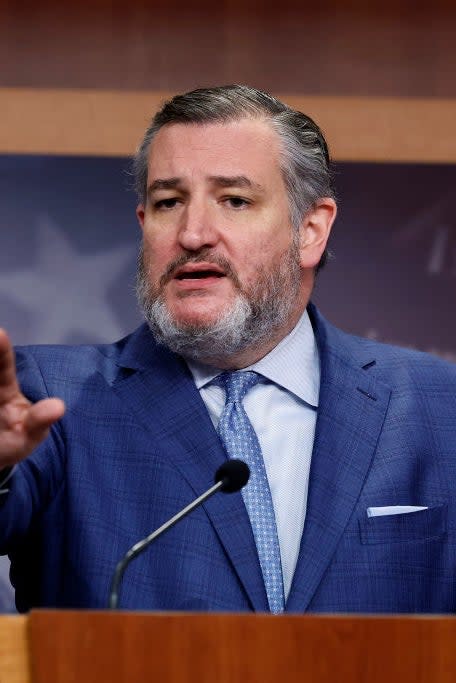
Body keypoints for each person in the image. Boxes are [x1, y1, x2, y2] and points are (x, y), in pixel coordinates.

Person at [0, 85, 455, 614]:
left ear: (310, 231)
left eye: (234, 200)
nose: (193, 233)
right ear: (145, 227)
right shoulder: (53, 399)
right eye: (169, 202)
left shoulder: (437, 405)